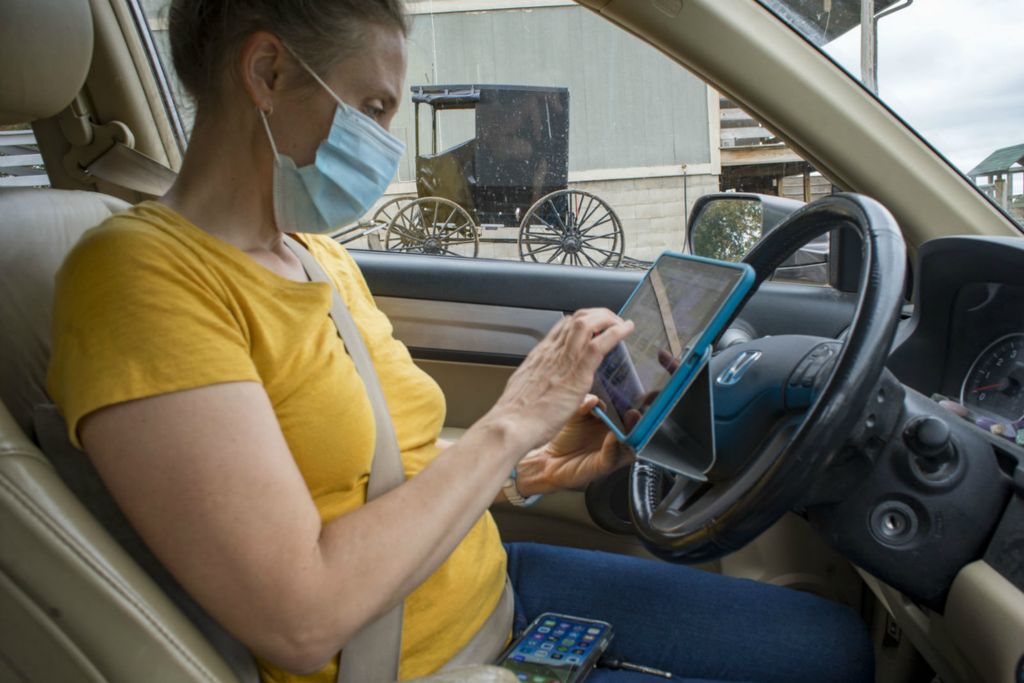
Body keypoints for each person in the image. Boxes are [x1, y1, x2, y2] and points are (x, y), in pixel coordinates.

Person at [46, 1, 873, 681]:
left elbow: (380, 464)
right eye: (371, 107)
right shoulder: (137, 277)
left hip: (500, 590)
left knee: (834, 647)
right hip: (410, 663)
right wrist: (511, 418)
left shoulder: (317, 257)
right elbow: (300, 617)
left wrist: (530, 467)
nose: (384, 141)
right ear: (266, 73)